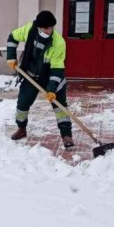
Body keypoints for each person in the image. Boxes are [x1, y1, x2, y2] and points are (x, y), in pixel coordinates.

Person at [6, 10, 74, 148]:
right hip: (30, 75)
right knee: (22, 104)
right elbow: (12, 37)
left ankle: (67, 135)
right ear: (39, 27)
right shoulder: (29, 30)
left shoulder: (58, 43)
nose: (49, 31)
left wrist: (52, 89)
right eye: (46, 28)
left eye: (51, 28)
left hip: (51, 78)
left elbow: (57, 68)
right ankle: (21, 128)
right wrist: (11, 57)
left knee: (60, 107)